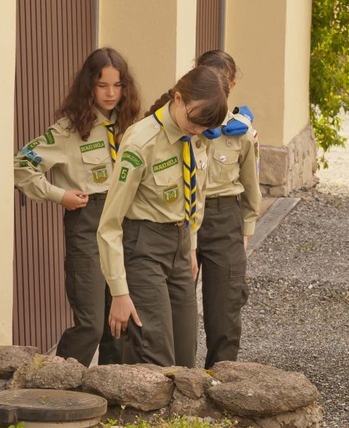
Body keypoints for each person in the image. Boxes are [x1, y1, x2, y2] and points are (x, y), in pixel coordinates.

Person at [14, 47, 141, 367]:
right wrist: (59, 195)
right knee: (91, 322)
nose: (111, 93)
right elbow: (20, 166)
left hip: (126, 221)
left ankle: (112, 391)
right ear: (89, 86)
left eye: (118, 85)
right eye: (103, 86)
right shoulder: (69, 130)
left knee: (121, 317)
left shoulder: (130, 127)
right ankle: (58, 385)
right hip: (87, 222)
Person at [97, 65, 229, 368]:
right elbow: (109, 225)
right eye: (195, 120)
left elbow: (195, 193)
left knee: (185, 358)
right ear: (179, 99)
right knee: (155, 358)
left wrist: (191, 244)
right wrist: (119, 292)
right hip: (143, 249)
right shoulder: (141, 142)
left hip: (181, 247)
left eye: (204, 125)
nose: (197, 129)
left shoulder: (197, 136)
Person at [195, 50, 261, 369]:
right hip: (182, 219)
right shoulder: (184, 126)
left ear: (232, 83)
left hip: (223, 220)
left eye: (222, 81)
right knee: (172, 310)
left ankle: (219, 384)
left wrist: (245, 232)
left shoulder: (241, 133)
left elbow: (251, 187)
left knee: (224, 310)